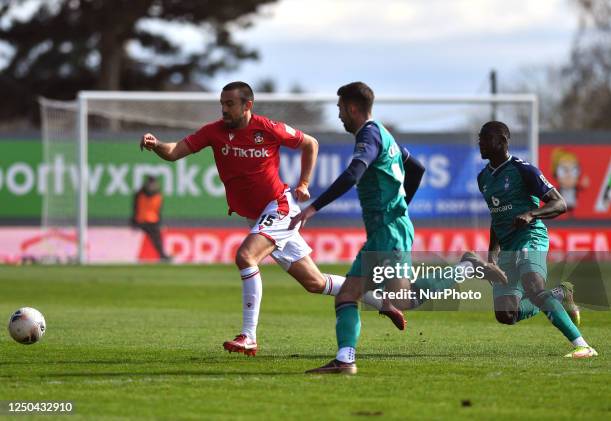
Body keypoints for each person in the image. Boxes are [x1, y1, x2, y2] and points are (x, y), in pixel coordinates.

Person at [139, 81, 402, 357]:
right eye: (222, 104)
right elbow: (173, 151)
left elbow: (310, 143)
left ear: (247, 105)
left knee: (245, 257)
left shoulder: (267, 128)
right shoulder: (213, 132)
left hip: (278, 208)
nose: (224, 109)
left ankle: (248, 336)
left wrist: (303, 182)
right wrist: (156, 143)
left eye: (230, 104)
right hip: (258, 217)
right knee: (315, 283)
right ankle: (379, 299)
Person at [291, 82, 509, 374]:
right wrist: (401, 204)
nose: (339, 114)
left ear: (353, 108)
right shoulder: (384, 134)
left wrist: (314, 208)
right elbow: (416, 168)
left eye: (341, 108)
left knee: (401, 300)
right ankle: (345, 360)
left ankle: (466, 268)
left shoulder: (368, 136)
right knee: (347, 295)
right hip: (386, 229)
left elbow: (354, 173)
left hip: (389, 231)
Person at [476, 121, 597, 358]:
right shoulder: (483, 178)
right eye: (479, 138)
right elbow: (497, 216)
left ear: (502, 141)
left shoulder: (524, 170)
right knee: (506, 315)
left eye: (485, 138)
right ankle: (560, 294)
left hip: (530, 237)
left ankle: (583, 345)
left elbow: (559, 203)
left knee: (534, 287)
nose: (480, 142)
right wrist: (492, 254)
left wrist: (532, 214)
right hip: (507, 247)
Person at [131, 175, 170, 262]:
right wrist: (133, 220)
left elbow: (158, 210)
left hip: (152, 220)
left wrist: (159, 221)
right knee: (156, 238)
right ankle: (162, 255)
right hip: (142, 220)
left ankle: (162, 255)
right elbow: (135, 207)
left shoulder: (158, 196)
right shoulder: (140, 194)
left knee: (157, 239)